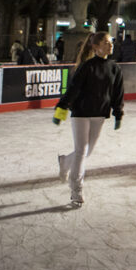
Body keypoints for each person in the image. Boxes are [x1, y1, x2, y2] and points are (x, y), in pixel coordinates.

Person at [53, 31, 124, 207]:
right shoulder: (87, 67)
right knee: (81, 151)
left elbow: (118, 94)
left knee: (86, 152)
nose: (110, 45)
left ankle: (64, 161)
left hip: (99, 114)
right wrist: (61, 110)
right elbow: (73, 90)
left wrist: (118, 114)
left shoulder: (115, 68)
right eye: (106, 42)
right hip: (81, 113)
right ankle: (76, 191)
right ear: (96, 46)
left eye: (111, 42)